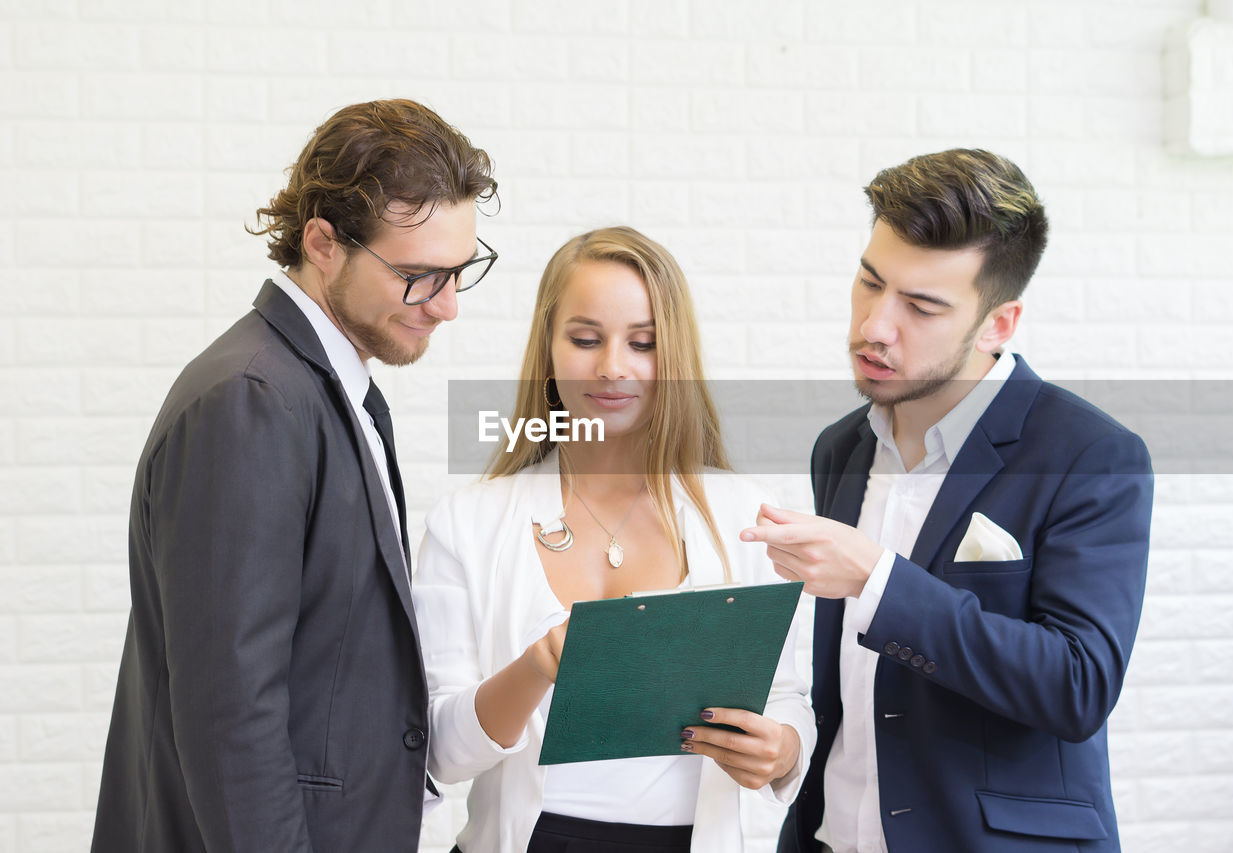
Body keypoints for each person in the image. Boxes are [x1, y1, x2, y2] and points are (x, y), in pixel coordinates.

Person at [91, 99, 497, 853]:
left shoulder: (326, 391)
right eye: (417, 276)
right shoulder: (250, 402)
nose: (445, 307)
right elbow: (230, 714)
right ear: (323, 243)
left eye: (458, 272)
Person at [746, 149, 1154, 853]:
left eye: (922, 306)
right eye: (870, 283)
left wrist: (878, 580)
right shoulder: (839, 448)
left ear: (999, 323)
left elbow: (1078, 684)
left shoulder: (1089, 455)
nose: (875, 325)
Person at [413, 226, 816, 853]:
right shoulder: (468, 522)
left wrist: (782, 750)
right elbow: (441, 750)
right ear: (547, 348)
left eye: (644, 343)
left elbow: (788, 698)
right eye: (584, 339)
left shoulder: (746, 515)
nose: (612, 368)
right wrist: (540, 665)